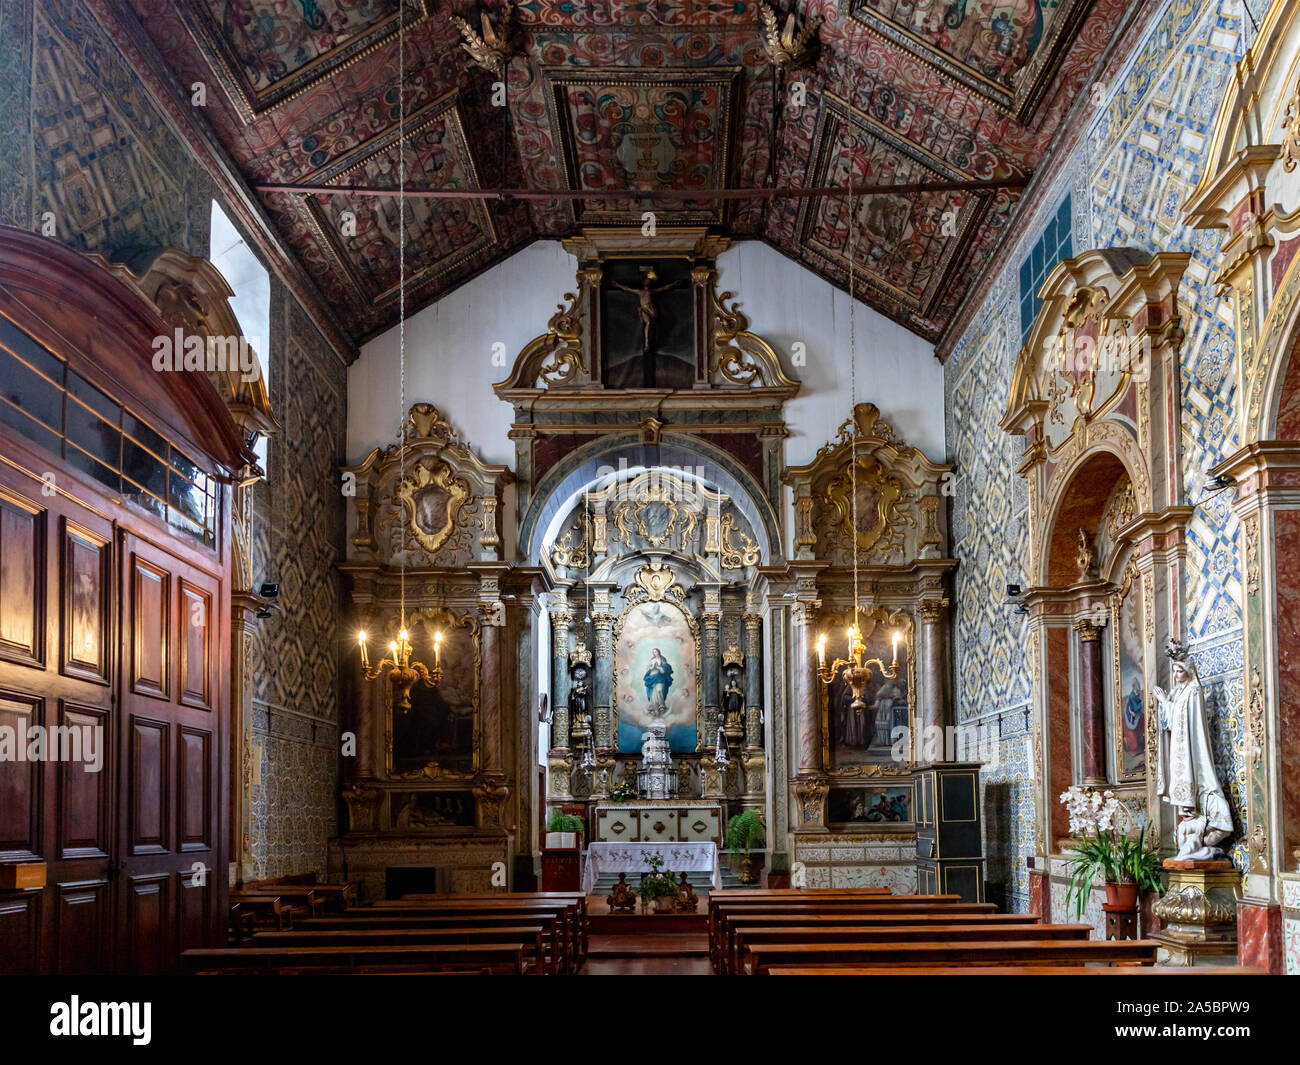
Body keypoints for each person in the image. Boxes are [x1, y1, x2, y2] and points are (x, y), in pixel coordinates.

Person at [1153, 653, 1232, 859]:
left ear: (1188, 671)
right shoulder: (1178, 692)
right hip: (1179, 747)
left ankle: (1194, 821)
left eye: (1180, 671)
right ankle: (1189, 824)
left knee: (1191, 775)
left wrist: (1165, 702)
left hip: (1189, 746)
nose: (1176, 675)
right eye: (1174, 671)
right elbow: (1169, 721)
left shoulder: (1194, 690)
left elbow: (1183, 716)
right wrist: (1164, 704)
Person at [643, 648, 674, 716]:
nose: (655, 653)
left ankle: (661, 705)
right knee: (653, 692)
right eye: (653, 652)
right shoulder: (652, 660)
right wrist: (651, 667)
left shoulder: (663, 660)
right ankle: (654, 707)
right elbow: (648, 669)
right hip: (652, 677)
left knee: (660, 690)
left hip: (660, 677)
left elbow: (665, 669)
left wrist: (659, 667)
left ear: (659, 652)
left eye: (656, 652)